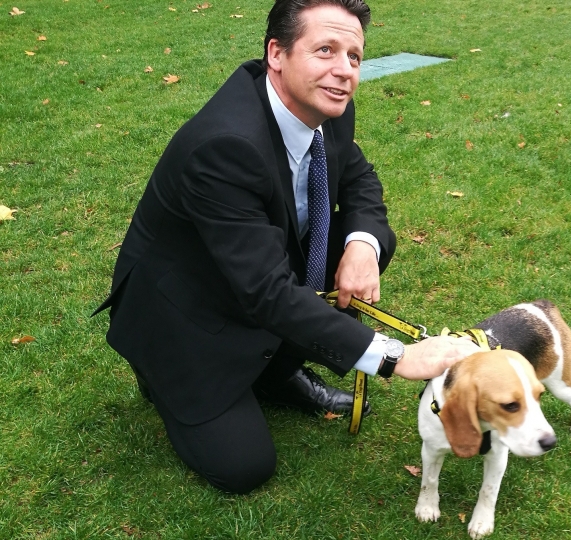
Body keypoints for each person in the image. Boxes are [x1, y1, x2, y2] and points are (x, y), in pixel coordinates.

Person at [94, 0, 480, 494]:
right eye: (325, 50)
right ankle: (163, 381)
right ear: (276, 53)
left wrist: (362, 245)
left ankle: (276, 369)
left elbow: (357, 175)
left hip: (254, 271)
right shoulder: (225, 147)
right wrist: (393, 357)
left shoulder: (327, 104)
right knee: (244, 467)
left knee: (359, 244)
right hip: (185, 315)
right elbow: (266, 292)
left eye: (354, 56)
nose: (344, 71)